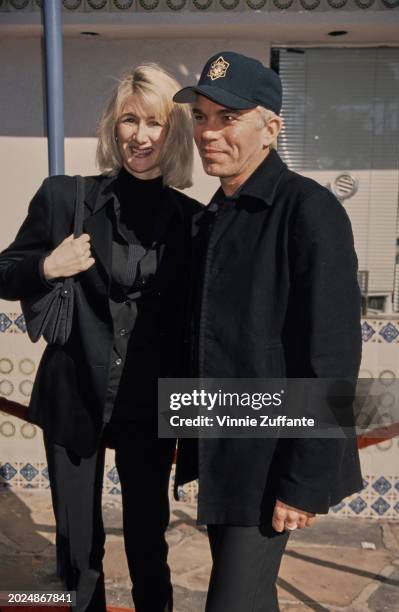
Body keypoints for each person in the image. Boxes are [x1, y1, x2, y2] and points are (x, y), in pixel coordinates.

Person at [0, 64, 201, 612]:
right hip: (74, 398)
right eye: (129, 120)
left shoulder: (195, 222)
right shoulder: (66, 197)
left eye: (155, 122)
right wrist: (47, 265)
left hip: (148, 407)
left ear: (175, 132)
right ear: (114, 129)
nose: (140, 135)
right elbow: (5, 270)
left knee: (146, 542)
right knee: (78, 551)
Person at [173, 51, 363, 611]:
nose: (209, 132)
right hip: (225, 452)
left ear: (271, 127)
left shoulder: (310, 209)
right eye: (201, 117)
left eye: (228, 118)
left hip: (271, 459)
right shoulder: (211, 216)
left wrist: (303, 480)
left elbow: (331, 355)